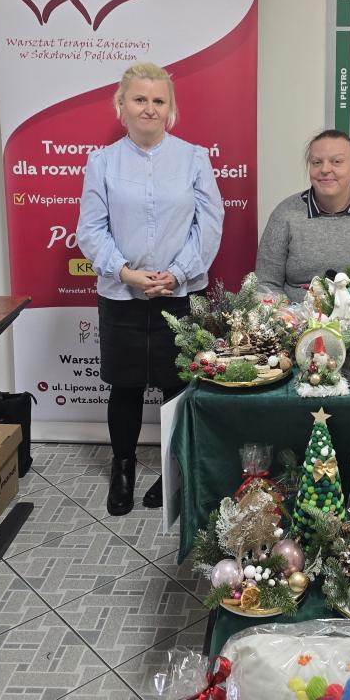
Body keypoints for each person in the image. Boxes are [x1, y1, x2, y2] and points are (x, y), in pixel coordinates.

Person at [77, 62, 224, 515]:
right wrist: (124, 272)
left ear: (170, 109)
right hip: (121, 293)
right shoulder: (102, 162)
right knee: (124, 385)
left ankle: (171, 466)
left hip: (179, 293)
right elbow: (91, 229)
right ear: (121, 105)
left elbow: (210, 224)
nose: (149, 108)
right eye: (139, 99)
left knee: (175, 384)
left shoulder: (194, 158)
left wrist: (178, 273)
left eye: (158, 100)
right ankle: (122, 466)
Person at [256, 129, 350, 301]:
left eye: (337, 161)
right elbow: (266, 284)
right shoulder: (285, 214)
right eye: (316, 162)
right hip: (296, 316)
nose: (325, 169)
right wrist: (287, 314)